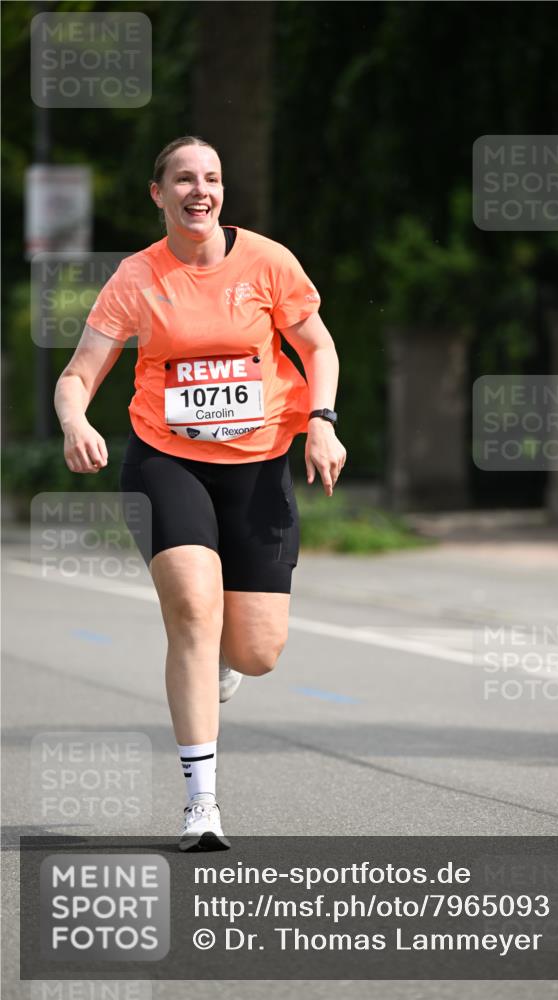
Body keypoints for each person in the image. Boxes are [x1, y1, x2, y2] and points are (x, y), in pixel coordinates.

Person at [54, 136, 346, 851]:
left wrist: (321, 422)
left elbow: (318, 347)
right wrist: (73, 422)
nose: (199, 190)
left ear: (222, 190)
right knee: (190, 609)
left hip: (258, 465)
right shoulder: (136, 278)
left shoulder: (268, 263)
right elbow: (78, 374)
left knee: (256, 652)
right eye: (183, 179)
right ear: (158, 194)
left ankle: (222, 655)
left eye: (211, 178)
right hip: (166, 460)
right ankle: (201, 804)